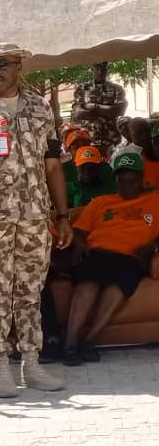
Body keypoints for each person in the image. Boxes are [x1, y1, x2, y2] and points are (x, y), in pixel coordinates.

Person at [0, 43, 71, 398]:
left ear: (19, 66)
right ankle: (1, 366)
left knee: (31, 293)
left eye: (1, 64)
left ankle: (31, 363)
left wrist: (62, 216)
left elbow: (52, 165)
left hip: (35, 218)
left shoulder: (40, 109)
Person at [63, 152, 159, 365]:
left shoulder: (156, 200)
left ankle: (89, 341)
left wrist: (152, 245)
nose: (126, 187)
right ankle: (69, 345)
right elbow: (78, 231)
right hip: (97, 252)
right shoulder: (100, 203)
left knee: (117, 286)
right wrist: (80, 245)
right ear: (115, 180)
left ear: (141, 179)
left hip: (130, 257)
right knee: (88, 282)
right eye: (121, 181)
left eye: (131, 182)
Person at [70, 62, 127, 159]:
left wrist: (94, 107)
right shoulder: (83, 89)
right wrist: (107, 110)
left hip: (111, 141)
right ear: (92, 70)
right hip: (88, 140)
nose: (100, 72)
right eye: (97, 69)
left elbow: (118, 111)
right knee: (91, 171)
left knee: (112, 169)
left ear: (107, 70)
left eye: (103, 69)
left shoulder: (117, 89)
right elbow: (77, 113)